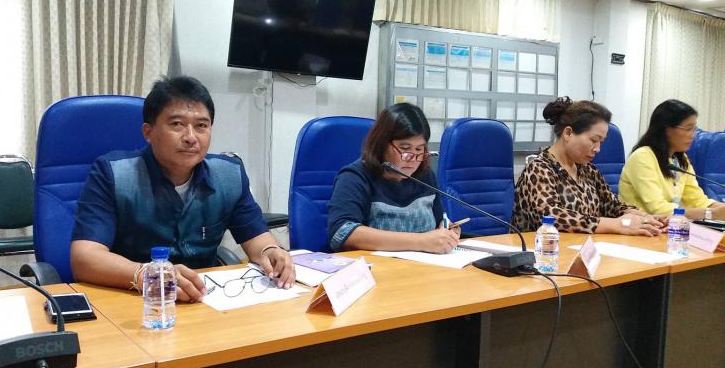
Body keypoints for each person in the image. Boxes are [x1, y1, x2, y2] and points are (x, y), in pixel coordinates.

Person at [70, 76, 295, 302]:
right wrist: (150, 275)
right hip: (135, 299)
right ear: (148, 132)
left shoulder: (229, 175)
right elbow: (85, 258)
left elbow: (257, 238)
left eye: (201, 126)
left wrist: (271, 252)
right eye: (177, 124)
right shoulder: (113, 174)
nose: (190, 137)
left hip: (205, 299)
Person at [513, 97, 664, 235]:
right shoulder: (539, 169)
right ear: (568, 133)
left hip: (583, 248)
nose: (598, 149)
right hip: (543, 251)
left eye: (601, 142)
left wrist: (645, 218)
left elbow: (612, 206)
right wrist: (616, 225)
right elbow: (551, 217)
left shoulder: (588, 170)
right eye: (593, 140)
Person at [327, 103, 461, 254]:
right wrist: (419, 241)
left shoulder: (424, 175)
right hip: (377, 266)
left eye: (419, 149)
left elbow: (439, 222)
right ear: (382, 144)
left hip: (424, 265)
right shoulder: (355, 177)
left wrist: (448, 231)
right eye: (405, 149)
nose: (413, 158)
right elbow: (341, 232)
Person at [619, 99, 725, 220]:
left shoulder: (680, 159)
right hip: (638, 226)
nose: (693, 135)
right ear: (667, 129)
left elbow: (697, 200)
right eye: (688, 129)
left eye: (694, 129)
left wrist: (719, 208)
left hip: (668, 226)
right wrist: (711, 213)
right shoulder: (642, 157)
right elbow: (659, 209)